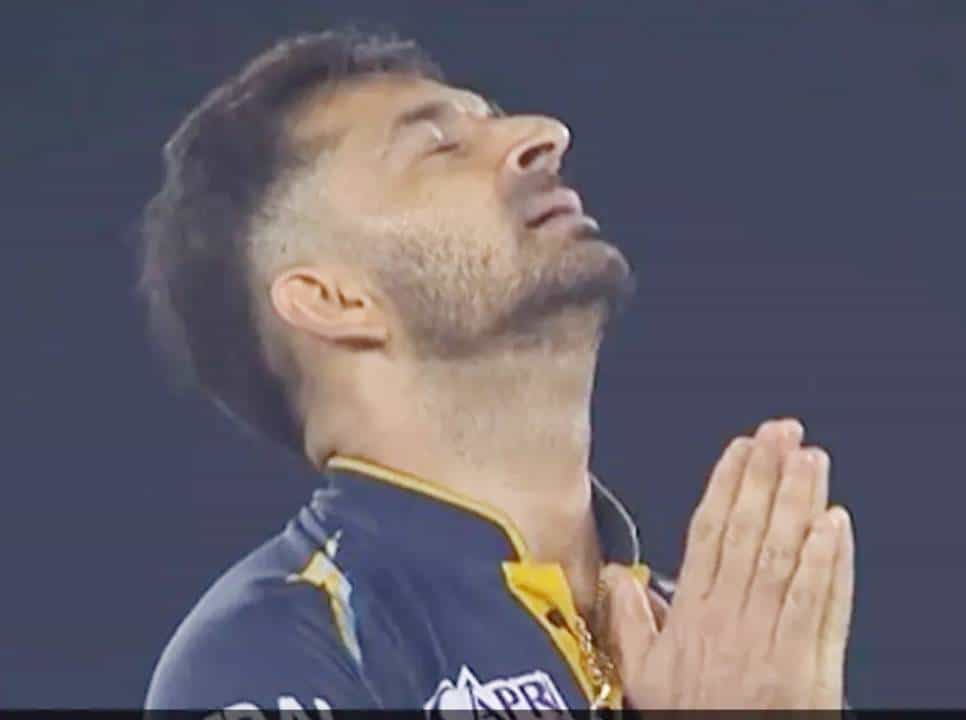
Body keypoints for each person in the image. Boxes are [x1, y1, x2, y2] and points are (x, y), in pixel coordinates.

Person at [138, 29, 855, 712]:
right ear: (335, 299)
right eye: (438, 145)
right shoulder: (273, 650)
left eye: (496, 118)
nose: (544, 133)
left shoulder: (727, 653)